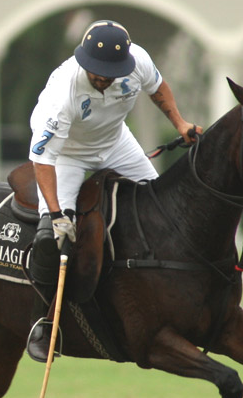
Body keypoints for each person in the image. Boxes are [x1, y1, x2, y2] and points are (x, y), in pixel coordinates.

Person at [26, 19, 203, 361]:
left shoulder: (136, 62)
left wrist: (180, 123)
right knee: (53, 238)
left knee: (161, 209)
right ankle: (42, 323)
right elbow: (43, 161)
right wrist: (58, 215)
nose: (104, 77)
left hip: (114, 141)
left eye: (111, 71)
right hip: (66, 155)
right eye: (97, 71)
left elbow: (158, 87)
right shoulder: (62, 95)